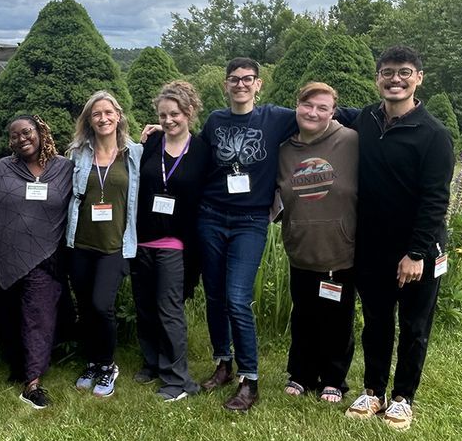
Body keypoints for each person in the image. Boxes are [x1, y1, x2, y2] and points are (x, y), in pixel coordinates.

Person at [345, 45, 454, 430]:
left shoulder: (433, 135)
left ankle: (403, 397)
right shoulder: (364, 120)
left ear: (418, 78)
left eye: (404, 72)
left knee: (414, 325)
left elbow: (435, 199)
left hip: (418, 249)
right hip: (372, 246)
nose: (395, 79)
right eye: (387, 72)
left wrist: (416, 252)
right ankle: (373, 392)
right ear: (377, 79)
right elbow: (316, 115)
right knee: (375, 321)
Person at [195, 58, 298, 411]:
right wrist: (157, 135)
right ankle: (223, 364)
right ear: (226, 85)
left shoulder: (276, 118)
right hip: (211, 215)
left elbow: (323, 113)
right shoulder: (215, 121)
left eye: (247, 79)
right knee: (214, 295)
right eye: (234, 79)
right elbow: (195, 156)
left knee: (237, 297)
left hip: (250, 220)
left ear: (259, 84)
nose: (240, 84)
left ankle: (249, 380)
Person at [276, 82, 358, 403]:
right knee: (304, 315)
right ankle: (301, 374)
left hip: (340, 251)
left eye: (322, 107)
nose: (313, 112)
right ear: (296, 106)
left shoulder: (351, 142)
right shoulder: (285, 150)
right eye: (307, 105)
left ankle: (334, 379)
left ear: (333, 112)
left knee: (337, 320)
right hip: (301, 249)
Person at [0, 115, 73, 409]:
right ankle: (19, 366)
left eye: (27, 132)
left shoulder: (64, 169)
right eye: (14, 136)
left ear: (40, 132)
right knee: (11, 315)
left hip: (47, 257)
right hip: (6, 257)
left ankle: (33, 383)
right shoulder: (1, 170)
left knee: (39, 316)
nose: (22, 139)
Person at [132, 81, 205, 401]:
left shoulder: (202, 150)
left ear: (188, 112)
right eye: (162, 115)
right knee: (145, 307)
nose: (168, 120)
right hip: (143, 240)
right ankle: (153, 363)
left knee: (169, 310)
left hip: (175, 244)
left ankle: (178, 379)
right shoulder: (151, 142)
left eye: (174, 113)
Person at [66, 90, 142, 398]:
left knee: (102, 305)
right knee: (85, 307)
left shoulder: (134, 153)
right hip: (81, 243)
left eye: (108, 112)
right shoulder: (77, 153)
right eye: (96, 114)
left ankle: (108, 364)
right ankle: (93, 362)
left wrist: (159, 128)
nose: (103, 118)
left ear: (119, 116)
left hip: (115, 245)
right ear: (88, 120)